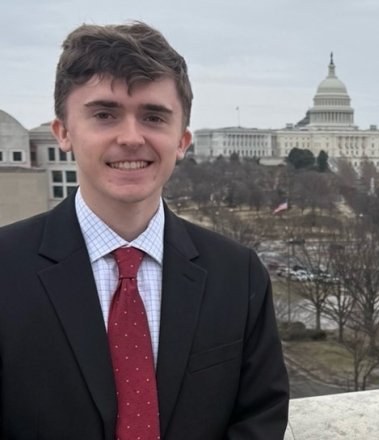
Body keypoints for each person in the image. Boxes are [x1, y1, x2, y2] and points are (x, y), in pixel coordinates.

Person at [0, 22, 289, 439]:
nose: (131, 138)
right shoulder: (6, 270)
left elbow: (260, 416)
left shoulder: (237, 274)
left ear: (182, 141)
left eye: (153, 116)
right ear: (63, 132)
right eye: (104, 114)